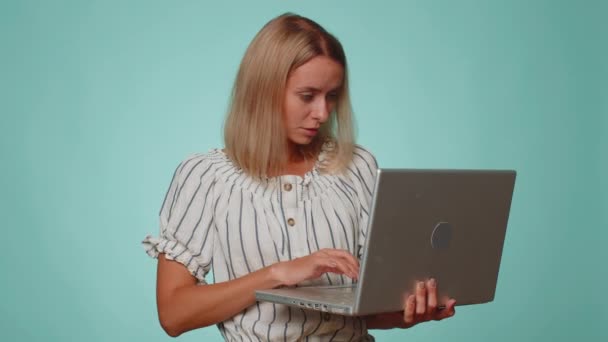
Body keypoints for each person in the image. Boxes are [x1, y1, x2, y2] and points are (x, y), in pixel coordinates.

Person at [142, 13, 456, 341]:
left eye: (332, 95)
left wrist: (407, 313)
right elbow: (174, 314)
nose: (322, 113)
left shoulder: (357, 166)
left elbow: (364, 309)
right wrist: (277, 274)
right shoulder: (205, 177)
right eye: (307, 96)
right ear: (263, 90)